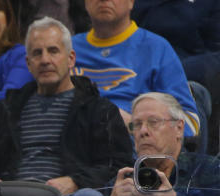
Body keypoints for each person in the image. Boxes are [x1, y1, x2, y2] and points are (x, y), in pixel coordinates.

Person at [0, 17, 133, 196]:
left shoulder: (100, 110)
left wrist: (76, 181)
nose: (45, 60)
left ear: (71, 59)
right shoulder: (5, 110)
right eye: (37, 53)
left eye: (53, 51)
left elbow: (117, 165)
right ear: (28, 63)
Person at [102, 92, 220, 196]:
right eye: (137, 124)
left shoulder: (209, 169)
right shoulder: (123, 181)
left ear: (179, 128)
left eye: (153, 122)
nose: (143, 131)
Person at [72, 0, 201, 139]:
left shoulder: (157, 48)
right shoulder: (64, 49)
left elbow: (189, 123)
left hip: (134, 149)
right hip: (69, 145)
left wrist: (137, 125)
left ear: (131, 2)